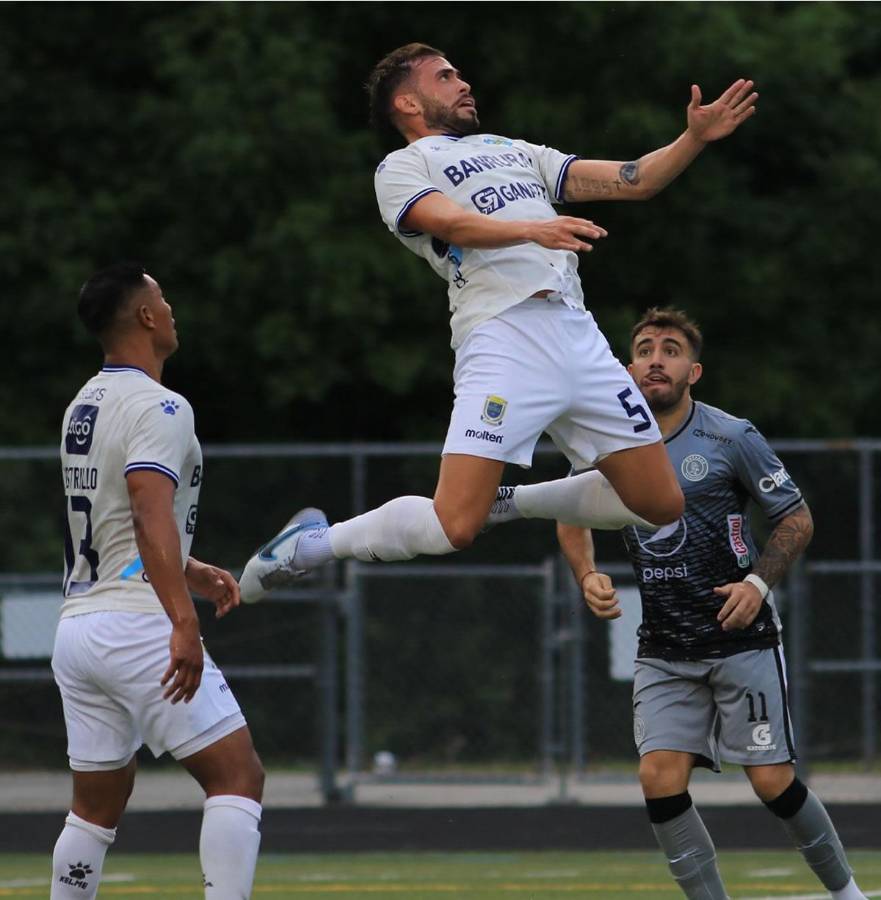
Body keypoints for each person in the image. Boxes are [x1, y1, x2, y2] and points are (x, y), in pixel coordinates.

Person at [239, 42, 758, 602]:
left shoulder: (513, 149)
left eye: (459, 74)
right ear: (407, 103)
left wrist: (692, 139)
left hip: (576, 333)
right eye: (445, 77)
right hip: (502, 336)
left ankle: (511, 502)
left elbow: (634, 179)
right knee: (455, 526)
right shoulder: (403, 167)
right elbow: (452, 223)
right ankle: (312, 546)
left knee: (661, 504)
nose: (463, 83)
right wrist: (533, 229)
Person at [552, 307, 868, 900]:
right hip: (664, 646)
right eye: (645, 349)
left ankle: (847, 894)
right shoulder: (606, 442)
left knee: (772, 782)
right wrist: (587, 572)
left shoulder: (731, 436)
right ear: (628, 368)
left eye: (670, 350)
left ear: (693, 371)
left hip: (740, 638)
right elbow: (569, 511)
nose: (656, 360)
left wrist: (757, 586)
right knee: (658, 779)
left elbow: (796, 519)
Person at [52, 262, 264, 899]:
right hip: (134, 625)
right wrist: (182, 619)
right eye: (162, 298)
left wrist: (187, 567)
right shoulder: (162, 405)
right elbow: (148, 513)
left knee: (96, 806)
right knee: (237, 776)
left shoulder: (84, 403)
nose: (171, 309)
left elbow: (115, 521)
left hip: (78, 627)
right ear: (146, 316)